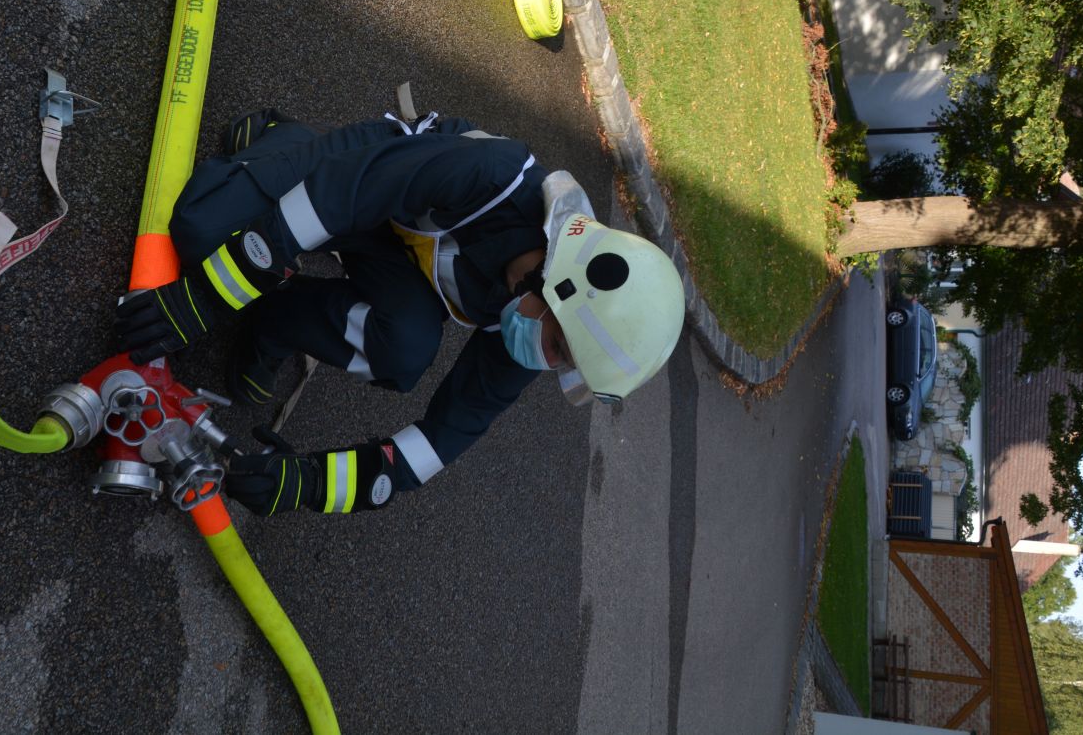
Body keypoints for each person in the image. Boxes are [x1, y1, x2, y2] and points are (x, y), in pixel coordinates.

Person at [115, 106, 686, 516]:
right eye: (561, 349)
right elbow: (339, 194)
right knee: (200, 232)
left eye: (566, 365)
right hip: (364, 176)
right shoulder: (494, 176)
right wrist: (207, 296)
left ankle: (277, 320)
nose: (549, 364)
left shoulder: (535, 318)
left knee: (405, 351)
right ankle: (281, 139)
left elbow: (440, 440)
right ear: (558, 284)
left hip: (400, 256)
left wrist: (309, 483)